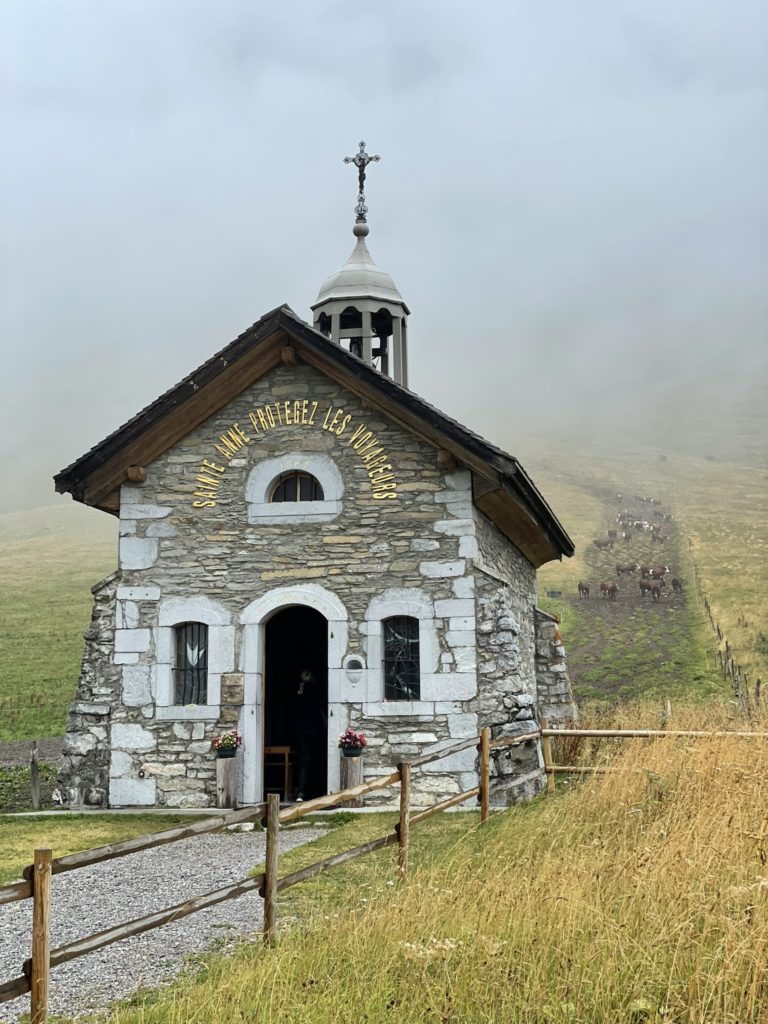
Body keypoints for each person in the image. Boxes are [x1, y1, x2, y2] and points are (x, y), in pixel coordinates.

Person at [289, 668, 326, 801]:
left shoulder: (296, 691)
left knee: (304, 761)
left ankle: (301, 792)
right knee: (318, 760)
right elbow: (320, 708)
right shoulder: (315, 689)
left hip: (300, 730)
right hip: (314, 729)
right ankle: (319, 790)